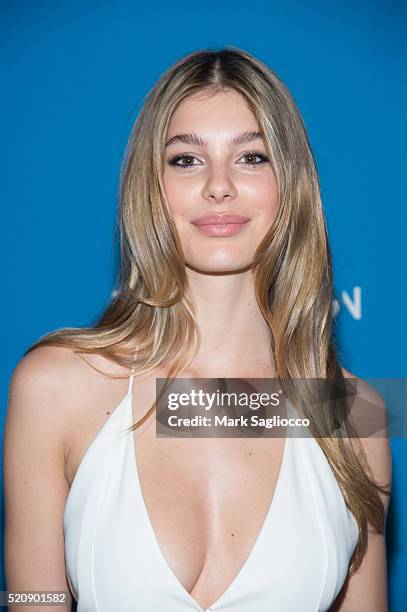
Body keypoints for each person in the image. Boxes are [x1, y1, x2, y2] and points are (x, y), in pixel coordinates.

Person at [4, 47, 391, 611]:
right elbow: (32, 601)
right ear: (151, 187)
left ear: (292, 185)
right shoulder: (56, 388)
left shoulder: (356, 418)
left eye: (252, 157)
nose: (219, 186)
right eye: (185, 159)